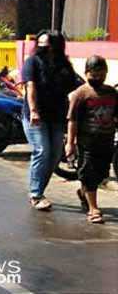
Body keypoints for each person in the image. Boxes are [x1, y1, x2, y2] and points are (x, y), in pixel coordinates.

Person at [21, 31, 81, 211]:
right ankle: (36, 194)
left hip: (57, 116)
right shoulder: (32, 62)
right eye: (40, 44)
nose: (44, 48)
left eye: (47, 45)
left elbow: (76, 86)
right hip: (35, 115)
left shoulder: (64, 65)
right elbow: (30, 86)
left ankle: (40, 190)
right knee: (42, 150)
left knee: (54, 156)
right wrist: (33, 111)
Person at [65, 55, 117, 224]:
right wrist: (70, 143)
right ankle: (94, 209)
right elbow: (73, 119)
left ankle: (83, 193)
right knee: (88, 173)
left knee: (101, 174)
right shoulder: (81, 94)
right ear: (86, 73)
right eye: (94, 74)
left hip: (107, 141)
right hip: (87, 142)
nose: (97, 78)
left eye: (101, 74)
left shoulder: (111, 93)